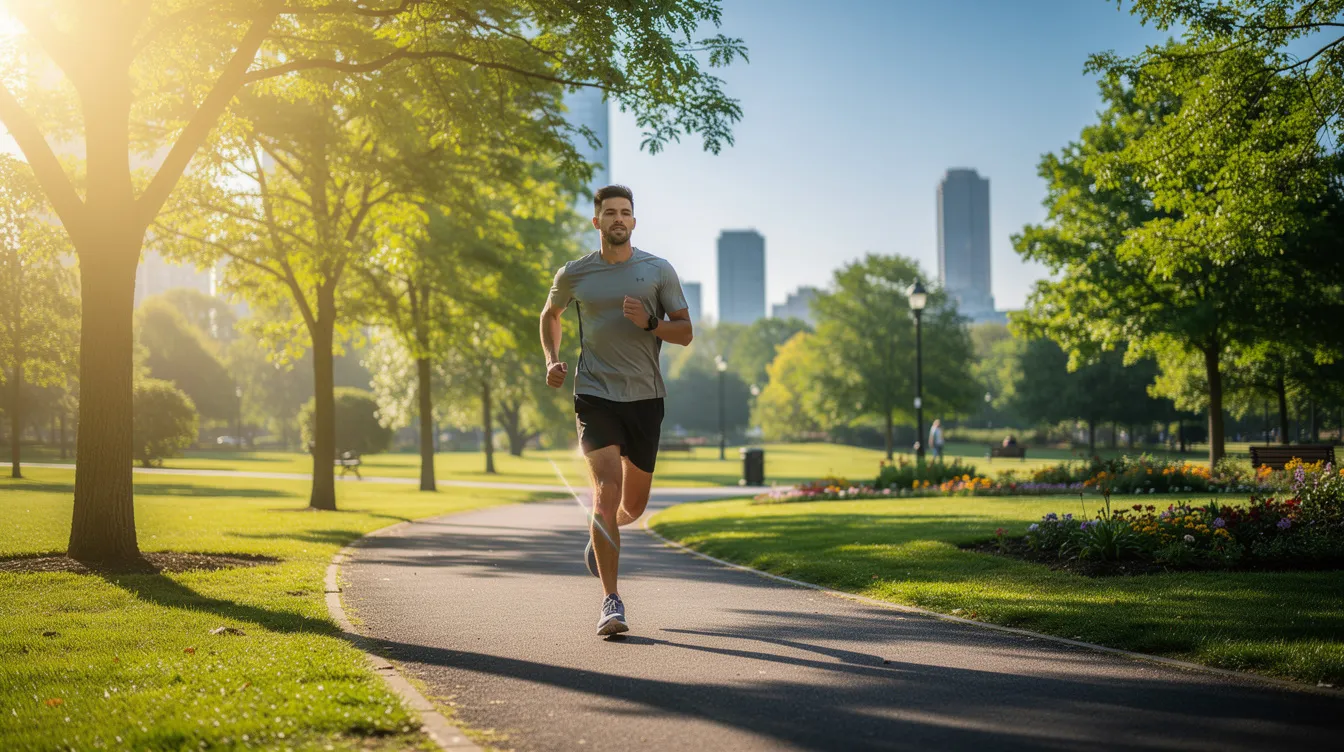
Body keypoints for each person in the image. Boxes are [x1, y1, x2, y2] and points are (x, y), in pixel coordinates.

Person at [539, 185, 693, 636]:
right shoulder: (575, 274)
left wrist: (650, 324)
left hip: (645, 397)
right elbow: (550, 314)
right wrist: (552, 360)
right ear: (597, 222)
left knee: (633, 506)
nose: (618, 219)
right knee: (606, 493)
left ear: (634, 222)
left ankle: (602, 534)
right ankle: (611, 601)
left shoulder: (657, 270)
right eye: (610, 213)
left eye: (625, 212)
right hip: (594, 393)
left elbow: (684, 333)